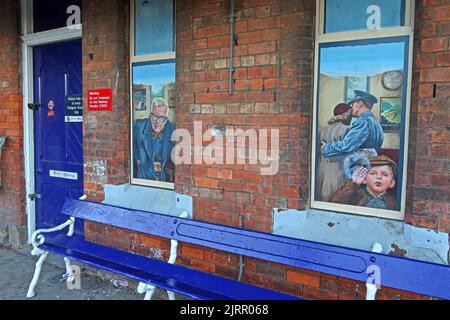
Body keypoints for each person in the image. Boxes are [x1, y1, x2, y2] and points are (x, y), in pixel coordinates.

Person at [321, 90, 384, 158]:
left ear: (360, 103)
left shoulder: (363, 121)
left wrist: (325, 148)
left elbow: (346, 145)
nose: (352, 107)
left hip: (360, 166)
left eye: (353, 104)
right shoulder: (375, 122)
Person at [330, 155, 398, 210]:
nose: (379, 177)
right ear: (364, 179)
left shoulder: (393, 203)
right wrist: (354, 183)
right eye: (373, 173)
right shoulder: (354, 195)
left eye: (384, 174)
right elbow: (334, 204)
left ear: (391, 183)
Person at [316, 103, 353, 201]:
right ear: (346, 115)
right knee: (336, 192)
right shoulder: (347, 130)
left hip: (323, 166)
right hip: (338, 166)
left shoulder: (323, 130)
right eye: (350, 116)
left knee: (323, 191)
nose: (351, 118)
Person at [133, 97, 175, 182]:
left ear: (166, 119)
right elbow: (130, 146)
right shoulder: (138, 126)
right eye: (154, 116)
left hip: (164, 183)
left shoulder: (172, 131)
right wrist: (137, 158)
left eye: (161, 118)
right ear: (150, 114)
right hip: (143, 180)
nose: (156, 121)